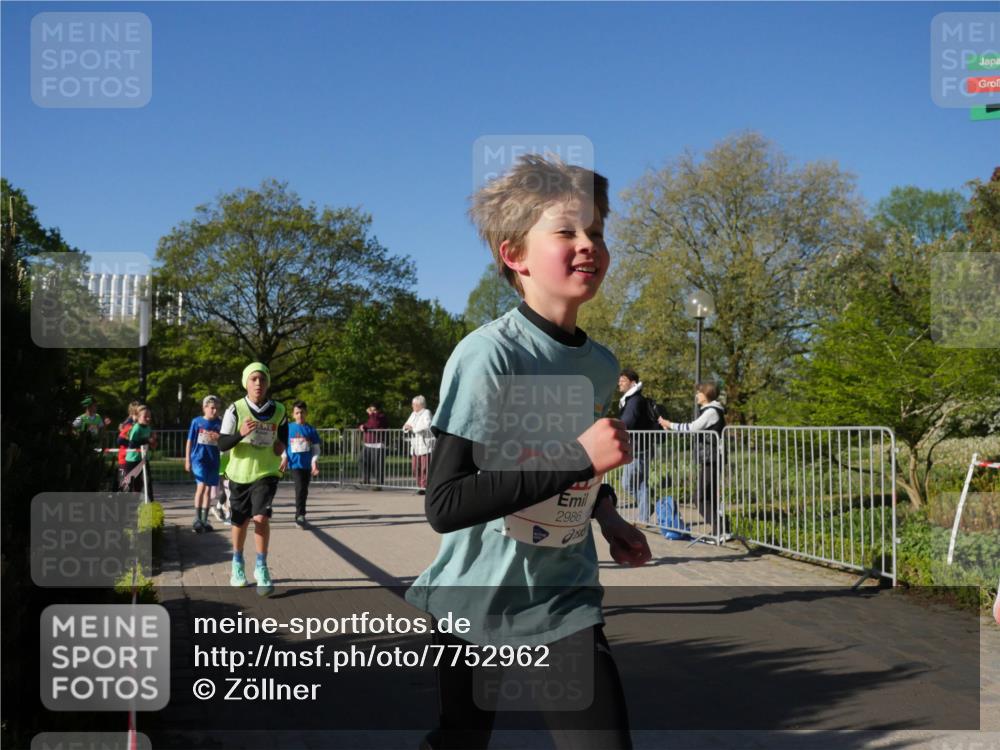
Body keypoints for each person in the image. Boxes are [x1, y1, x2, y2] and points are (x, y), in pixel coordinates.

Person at [406, 155, 650, 750]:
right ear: (514, 255)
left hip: (564, 595)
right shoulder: (488, 356)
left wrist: (608, 514)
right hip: (478, 596)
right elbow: (446, 502)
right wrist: (578, 458)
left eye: (595, 232)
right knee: (462, 740)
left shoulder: (601, 365)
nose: (588, 245)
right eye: (566, 231)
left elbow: (578, 472)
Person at [217, 362, 288, 596]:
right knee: (239, 521)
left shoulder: (279, 409)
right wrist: (240, 433)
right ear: (246, 382)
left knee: (260, 516)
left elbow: (283, 439)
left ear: (268, 383)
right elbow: (222, 443)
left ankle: (261, 566)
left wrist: (282, 448)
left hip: (266, 472)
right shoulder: (235, 409)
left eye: (262, 379)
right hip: (239, 473)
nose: (258, 383)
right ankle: (237, 563)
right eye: (253, 379)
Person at [658, 382, 725, 538]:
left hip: (712, 459)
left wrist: (670, 424)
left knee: (699, 497)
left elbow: (692, 427)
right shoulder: (710, 411)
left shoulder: (711, 412)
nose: (696, 395)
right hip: (709, 458)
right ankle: (721, 529)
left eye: (699, 393)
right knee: (707, 496)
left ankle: (720, 530)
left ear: (706, 394)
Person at [617, 369, 657, 522]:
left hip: (639, 448)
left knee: (628, 483)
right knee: (639, 483)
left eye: (623, 380)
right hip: (640, 446)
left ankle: (645, 509)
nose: (619, 382)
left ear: (632, 383)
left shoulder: (634, 400)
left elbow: (628, 422)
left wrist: (613, 427)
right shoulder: (632, 399)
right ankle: (645, 513)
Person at [279, 400, 321, 528]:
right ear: (293, 414)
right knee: (300, 488)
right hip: (294, 464)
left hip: (306, 465)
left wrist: (314, 463)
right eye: (297, 413)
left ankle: (300, 514)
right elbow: (282, 445)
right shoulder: (289, 428)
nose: (300, 415)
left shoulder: (311, 430)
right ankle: (299, 516)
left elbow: (316, 449)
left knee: (304, 490)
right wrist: (284, 457)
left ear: (306, 413)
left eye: (302, 412)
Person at [185, 395, 223, 534]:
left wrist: (219, 438)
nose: (215, 411)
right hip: (199, 459)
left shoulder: (220, 423)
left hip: (213, 459)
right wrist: (187, 459)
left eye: (217, 408)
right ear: (205, 408)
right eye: (212, 408)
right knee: (201, 487)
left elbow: (224, 441)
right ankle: (197, 519)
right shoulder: (197, 422)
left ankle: (204, 519)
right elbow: (190, 441)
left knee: (208, 490)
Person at [402, 395, 434, 494]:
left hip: (425, 444)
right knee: (415, 467)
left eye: (414, 404)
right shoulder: (413, 414)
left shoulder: (426, 412)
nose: (412, 406)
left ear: (420, 404)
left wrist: (413, 428)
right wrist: (407, 428)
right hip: (415, 445)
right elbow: (405, 425)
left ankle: (425, 487)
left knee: (425, 467)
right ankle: (419, 485)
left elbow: (427, 425)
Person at [122, 405, 155, 500]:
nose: (148, 418)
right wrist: (147, 440)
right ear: (138, 417)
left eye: (149, 416)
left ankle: (151, 503)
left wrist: (153, 443)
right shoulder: (136, 428)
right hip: (132, 460)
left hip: (143, 459)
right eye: (145, 416)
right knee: (129, 484)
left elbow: (149, 443)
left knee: (146, 482)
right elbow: (132, 444)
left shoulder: (148, 428)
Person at [359, 403, 388, 489]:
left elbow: (374, 424)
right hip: (368, 444)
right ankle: (366, 479)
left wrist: (371, 415)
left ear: (378, 410)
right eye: (371, 410)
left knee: (377, 465)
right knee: (361, 460)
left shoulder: (381, 417)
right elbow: (368, 425)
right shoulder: (372, 417)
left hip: (378, 444)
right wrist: (362, 426)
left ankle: (379, 484)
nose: (372, 412)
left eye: (373, 410)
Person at [115, 401, 141, 490]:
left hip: (134, 458)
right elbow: (120, 440)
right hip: (125, 457)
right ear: (133, 413)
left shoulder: (138, 425)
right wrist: (132, 443)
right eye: (138, 414)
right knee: (124, 484)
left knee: (136, 483)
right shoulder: (128, 424)